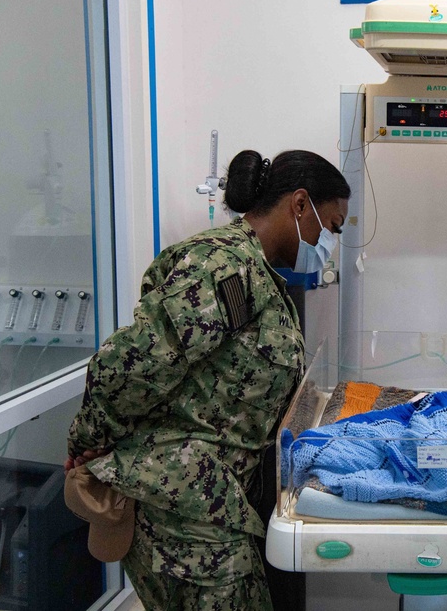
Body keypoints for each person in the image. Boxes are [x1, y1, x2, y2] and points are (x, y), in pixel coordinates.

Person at [65, 149, 350, 610]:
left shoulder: (258, 276)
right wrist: (89, 442)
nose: (330, 242)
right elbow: (126, 366)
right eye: (332, 227)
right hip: (186, 515)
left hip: (214, 505)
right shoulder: (223, 267)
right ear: (300, 205)